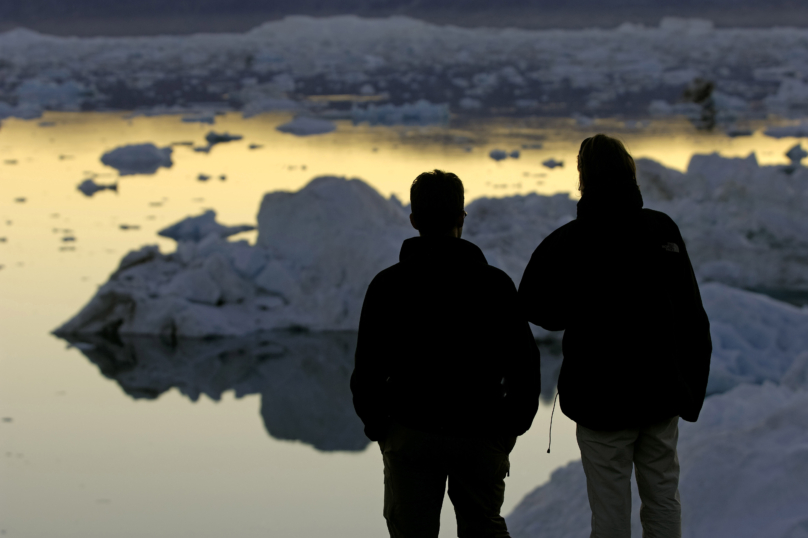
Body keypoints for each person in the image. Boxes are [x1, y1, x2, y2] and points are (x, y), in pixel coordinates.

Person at [518, 134, 712, 538]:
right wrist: (688, 392)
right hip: (660, 395)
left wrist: (579, 309)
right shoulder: (661, 230)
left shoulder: (569, 241)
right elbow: (692, 316)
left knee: (609, 512)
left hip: (599, 402)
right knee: (663, 500)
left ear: (583, 180)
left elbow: (534, 304)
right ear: (630, 173)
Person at [351, 169, 541, 538]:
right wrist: (509, 427)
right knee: (483, 530)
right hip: (480, 432)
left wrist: (381, 429)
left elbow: (366, 372)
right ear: (461, 218)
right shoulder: (494, 284)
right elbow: (525, 365)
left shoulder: (388, 285)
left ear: (413, 220)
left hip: (410, 431)